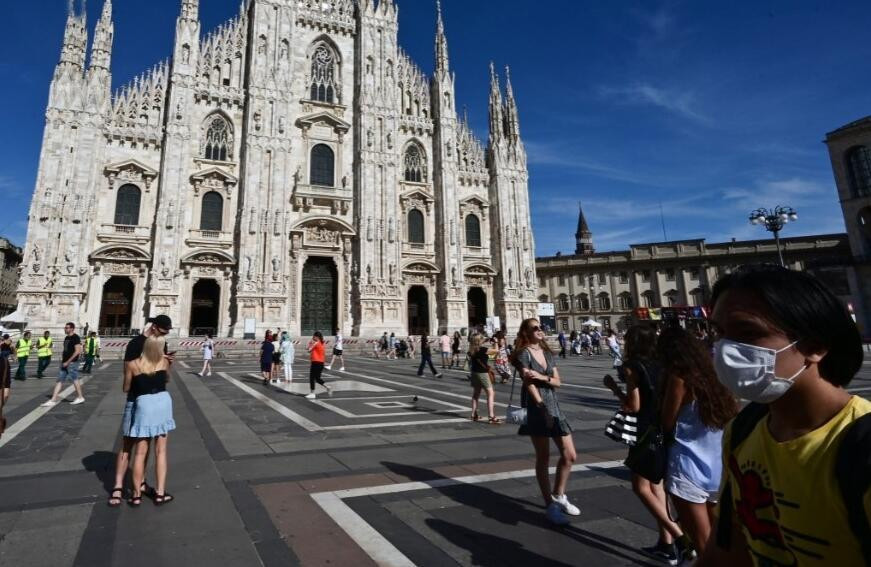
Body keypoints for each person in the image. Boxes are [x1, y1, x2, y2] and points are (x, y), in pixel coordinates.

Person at [698, 265, 870, 566]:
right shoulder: (743, 430)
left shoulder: (862, 447)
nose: (725, 350)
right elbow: (726, 552)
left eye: (748, 333)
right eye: (720, 333)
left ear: (814, 345)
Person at [603, 325, 692, 564]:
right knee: (657, 486)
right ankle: (666, 545)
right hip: (662, 429)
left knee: (641, 487)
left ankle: (682, 540)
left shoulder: (633, 367)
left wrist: (614, 389)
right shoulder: (662, 364)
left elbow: (632, 406)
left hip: (644, 433)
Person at [657, 327, 738, 556]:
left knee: (702, 544)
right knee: (719, 537)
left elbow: (667, 421)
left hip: (688, 465)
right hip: (718, 466)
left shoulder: (679, 378)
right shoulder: (714, 375)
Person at [510, 318, 579, 526]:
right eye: (535, 328)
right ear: (526, 332)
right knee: (544, 456)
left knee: (570, 455)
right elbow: (528, 383)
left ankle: (559, 494)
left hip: (554, 405)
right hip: (537, 406)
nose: (540, 330)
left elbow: (557, 382)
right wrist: (541, 406)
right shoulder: (523, 354)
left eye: (541, 327)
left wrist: (542, 377)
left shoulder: (548, 353)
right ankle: (550, 504)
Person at [108, 315, 174, 508]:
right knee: (129, 443)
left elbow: (162, 375)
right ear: (154, 328)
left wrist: (167, 363)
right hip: (136, 401)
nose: (165, 335)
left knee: (143, 448)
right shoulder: (135, 344)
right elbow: (127, 376)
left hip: (150, 400)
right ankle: (119, 485)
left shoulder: (161, 343)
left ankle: (139, 486)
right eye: (163, 331)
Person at [123, 333, 176, 506]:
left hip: (144, 404)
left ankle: (136, 494)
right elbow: (167, 379)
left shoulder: (133, 364)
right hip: (162, 402)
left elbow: (126, 388)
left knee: (140, 452)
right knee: (161, 451)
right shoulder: (164, 362)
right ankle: (160, 493)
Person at [40, 323, 84, 407]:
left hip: (72, 363)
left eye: (67, 328)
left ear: (72, 329)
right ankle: (53, 399)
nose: (65, 329)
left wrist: (68, 361)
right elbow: (66, 350)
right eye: (65, 327)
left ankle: (80, 397)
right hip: (65, 362)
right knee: (59, 380)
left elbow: (77, 351)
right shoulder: (67, 337)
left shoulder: (75, 337)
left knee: (74, 379)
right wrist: (63, 360)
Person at [468, 335, 501, 424]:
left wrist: (486, 340)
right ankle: (491, 416)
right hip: (482, 373)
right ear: (479, 341)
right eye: (482, 339)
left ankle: (473, 414)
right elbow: (496, 351)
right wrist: (496, 342)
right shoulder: (483, 350)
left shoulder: (471, 350)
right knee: (490, 393)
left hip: (474, 373)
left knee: (476, 394)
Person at [306, 331, 331, 399]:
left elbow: (308, 350)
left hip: (315, 362)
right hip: (321, 362)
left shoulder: (316, 343)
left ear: (317, 337)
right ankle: (327, 386)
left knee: (312, 378)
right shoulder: (322, 343)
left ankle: (312, 393)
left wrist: (310, 343)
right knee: (317, 378)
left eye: (313, 336)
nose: (312, 337)